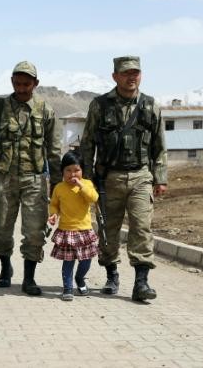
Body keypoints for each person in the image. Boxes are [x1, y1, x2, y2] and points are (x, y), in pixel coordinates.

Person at [79, 55, 168, 302]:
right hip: (108, 178)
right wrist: (86, 178)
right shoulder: (100, 105)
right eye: (126, 73)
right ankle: (112, 274)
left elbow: (160, 147)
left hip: (141, 175)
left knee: (142, 227)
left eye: (136, 73)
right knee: (108, 231)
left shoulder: (151, 106)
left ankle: (141, 283)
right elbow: (87, 143)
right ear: (115, 76)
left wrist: (160, 178)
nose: (132, 77)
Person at [0, 60, 62, 295]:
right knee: (2, 227)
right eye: (17, 83)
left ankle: (29, 279)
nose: (22, 88)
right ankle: (5, 269)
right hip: (3, 178)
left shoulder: (45, 110)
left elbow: (54, 150)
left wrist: (57, 185)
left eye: (27, 84)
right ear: (12, 82)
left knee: (34, 231)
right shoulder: (0, 108)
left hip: (34, 179)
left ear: (36, 84)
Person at [48, 150, 99, 301]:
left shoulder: (87, 184)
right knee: (68, 261)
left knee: (86, 260)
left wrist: (81, 186)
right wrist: (53, 214)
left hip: (84, 231)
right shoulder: (59, 188)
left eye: (76, 170)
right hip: (67, 231)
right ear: (62, 172)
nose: (72, 174)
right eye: (68, 171)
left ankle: (80, 278)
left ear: (82, 171)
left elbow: (93, 198)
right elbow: (54, 205)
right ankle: (68, 288)